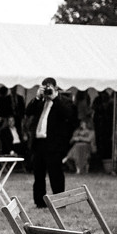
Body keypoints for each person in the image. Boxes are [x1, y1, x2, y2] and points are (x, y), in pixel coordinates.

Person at [26, 77, 73, 208]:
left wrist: (55, 98)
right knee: (38, 174)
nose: (47, 91)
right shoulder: (40, 102)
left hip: (54, 144)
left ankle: (59, 202)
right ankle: (39, 202)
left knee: (55, 174)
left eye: (49, 88)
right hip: (39, 143)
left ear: (56, 88)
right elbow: (28, 111)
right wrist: (36, 97)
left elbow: (68, 114)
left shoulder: (63, 101)